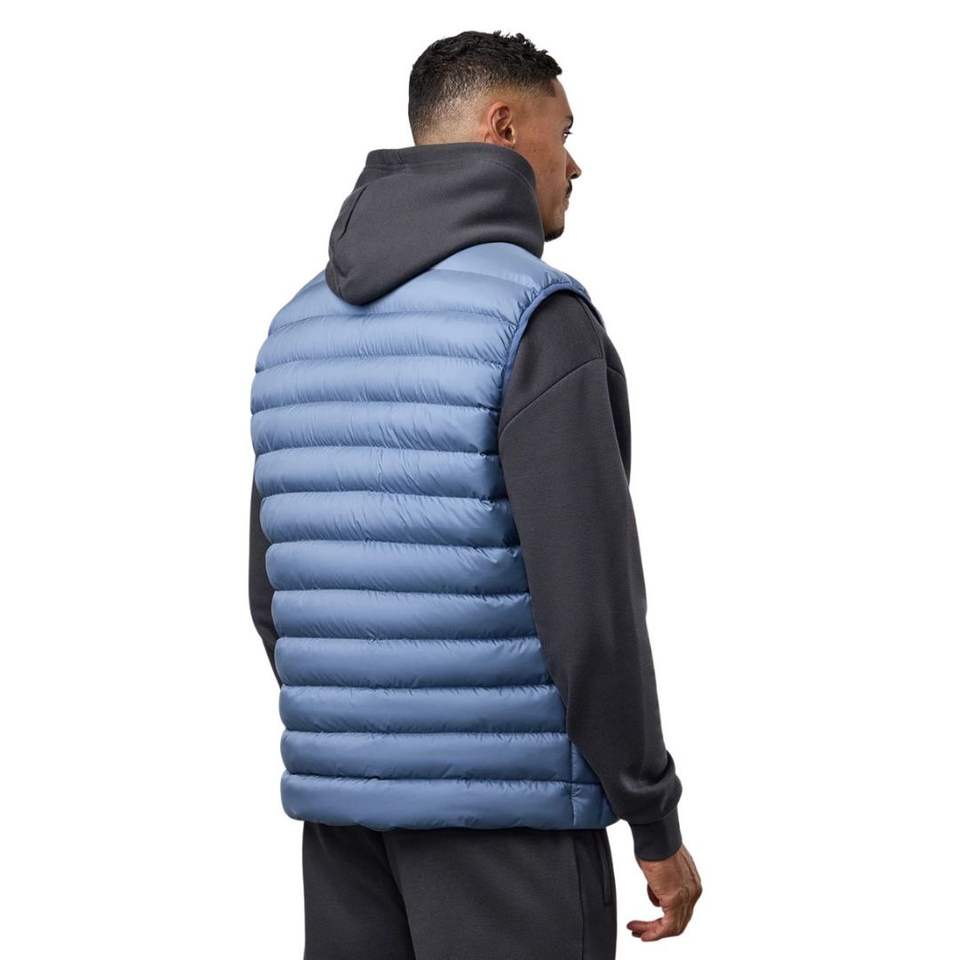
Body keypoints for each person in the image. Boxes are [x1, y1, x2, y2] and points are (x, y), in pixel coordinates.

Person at [249, 29, 702, 959]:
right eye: (562, 133)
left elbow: (275, 593)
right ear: (502, 126)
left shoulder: (295, 327)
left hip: (343, 827)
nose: (574, 164)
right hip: (512, 829)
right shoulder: (537, 317)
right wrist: (652, 815)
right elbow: (591, 609)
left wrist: (369, 743)